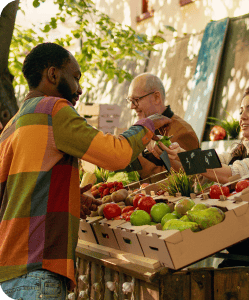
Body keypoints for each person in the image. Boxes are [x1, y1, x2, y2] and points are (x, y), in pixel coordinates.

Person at [0, 43, 171, 299]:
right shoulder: (53, 110)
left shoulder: (12, 126)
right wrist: (146, 125)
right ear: (53, 74)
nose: (80, 89)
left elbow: (15, 195)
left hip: (8, 273)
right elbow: (117, 154)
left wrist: (69, 198)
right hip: (38, 271)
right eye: (76, 77)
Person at [158, 83, 249, 299]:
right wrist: (170, 154)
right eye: (241, 111)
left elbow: (235, 173)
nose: (243, 116)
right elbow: (200, 171)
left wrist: (187, 157)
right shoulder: (239, 150)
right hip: (244, 253)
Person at [127, 73, 199, 179]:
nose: (132, 106)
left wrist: (134, 160)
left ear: (157, 97)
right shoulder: (144, 128)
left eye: (136, 100)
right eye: (130, 100)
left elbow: (187, 179)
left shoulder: (183, 132)